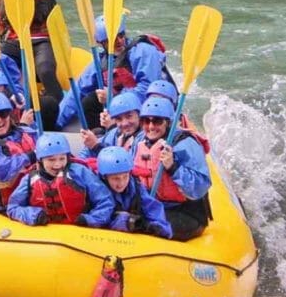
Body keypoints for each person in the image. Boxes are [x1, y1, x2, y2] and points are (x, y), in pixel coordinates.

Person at [56, 14, 172, 129]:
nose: (119, 41)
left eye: (121, 35)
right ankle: (101, 135)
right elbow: (78, 91)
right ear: (101, 43)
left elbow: (148, 88)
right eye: (112, 40)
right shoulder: (102, 61)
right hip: (124, 106)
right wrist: (56, 123)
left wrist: (114, 97)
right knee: (90, 101)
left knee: (93, 101)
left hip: (153, 106)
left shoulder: (143, 51)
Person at [129, 96, 211, 241]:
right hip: (153, 206)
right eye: (146, 121)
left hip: (185, 213)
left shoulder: (185, 144)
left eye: (157, 121)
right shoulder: (140, 140)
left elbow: (200, 187)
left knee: (147, 224)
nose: (151, 126)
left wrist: (173, 167)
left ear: (168, 122)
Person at [6, 133, 114, 227]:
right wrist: (33, 215)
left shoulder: (80, 172)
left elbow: (105, 201)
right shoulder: (29, 179)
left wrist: (89, 220)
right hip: (47, 234)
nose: (57, 164)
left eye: (62, 158)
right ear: (40, 160)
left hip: (79, 231)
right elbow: (13, 207)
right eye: (51, 160)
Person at [96, 147, 172, 238]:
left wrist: (159, 227)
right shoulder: (96, 189)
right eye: (115, 178)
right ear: (104, 177)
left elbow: (153, 207)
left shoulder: (136, 187)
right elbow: (96, 217)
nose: (121, 183)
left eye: (125, 176)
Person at [78, 91, 143, 157]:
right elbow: (86, 152)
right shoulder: (116, 133)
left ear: (139, 115)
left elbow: (124, 161)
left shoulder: (144, 138)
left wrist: (96, 147)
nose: (124, 123)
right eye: (119, 119)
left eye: (129, 116)